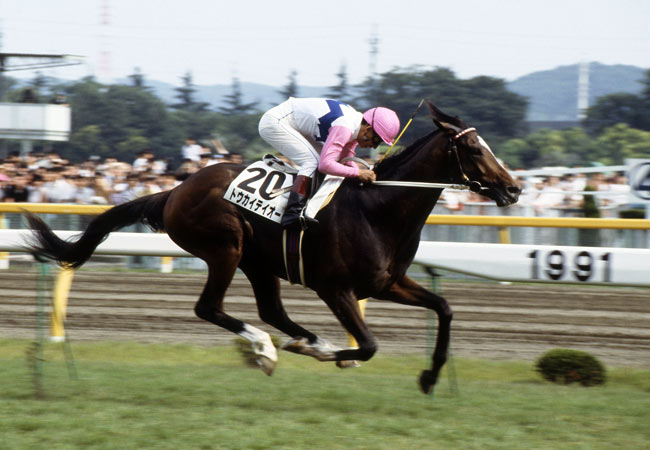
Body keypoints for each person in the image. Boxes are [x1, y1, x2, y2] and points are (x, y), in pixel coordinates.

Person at [258, 97, 400, 230]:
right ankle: (292, 215)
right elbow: (325, 165)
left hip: (294, 126)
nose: (374, 147)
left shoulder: (356, 126)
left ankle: (307, 205)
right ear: (368, 129)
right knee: (312, 162)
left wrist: (361, 173)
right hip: (275, 123)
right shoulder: (345, 127)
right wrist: (358, 173)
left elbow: (345, 158)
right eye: (376, 141)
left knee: (322, 160)